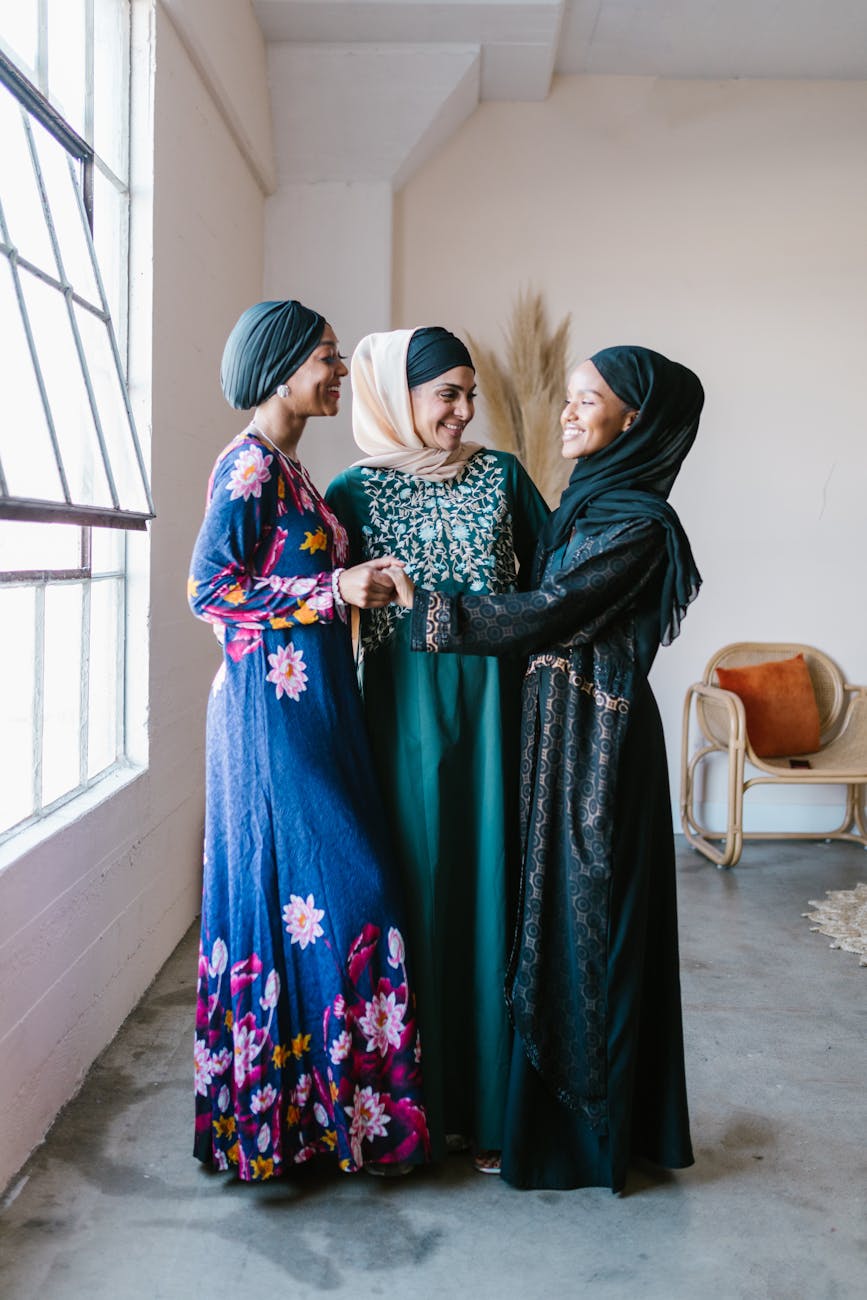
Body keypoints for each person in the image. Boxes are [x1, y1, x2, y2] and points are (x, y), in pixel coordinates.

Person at [391, 344, 703, 1192]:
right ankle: (555, 1122)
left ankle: (584, 1141)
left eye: (586, 401)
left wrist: (427, 608)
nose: (566, 414)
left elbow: (547, 611)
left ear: (633, 420)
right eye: (566, 398)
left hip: (595, 759)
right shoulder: (585, 505)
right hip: (557, 742)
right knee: (547, 925)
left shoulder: (637, 522)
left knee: (586, 928)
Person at [188, 300, 430, 1181]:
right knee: (347, 891)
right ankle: (314, 1123)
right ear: (281, 367)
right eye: (326, 357)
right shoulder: (249, 469)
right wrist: (335, 591)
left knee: (320, 903)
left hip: (317, 711)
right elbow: (208, 591)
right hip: (269, 718)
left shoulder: (292, 472)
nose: (337, 372)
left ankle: (317, 1129)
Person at [325, 327, 549, 1170]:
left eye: (468, 394)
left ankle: (494, 1113)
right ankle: (410, 1115)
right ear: (397, 396)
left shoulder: (501, 477)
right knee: (413, 897)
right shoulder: (351, 493)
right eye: (443, 394)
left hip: (496, 717)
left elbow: (556, 581)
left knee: (492, 891)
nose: (461, 411)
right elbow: (312, 601)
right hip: (400, 723)